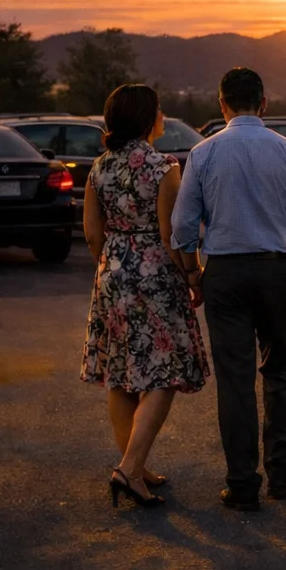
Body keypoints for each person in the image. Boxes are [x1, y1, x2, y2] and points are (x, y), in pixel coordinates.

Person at [172, 67, 286, 512]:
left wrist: (193, 273)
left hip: (225, 273)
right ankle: (281, 474)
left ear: (221, 105)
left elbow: (183, 228)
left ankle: (241, 483)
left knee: (235, 380)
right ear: (264, 104)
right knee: (281, 371)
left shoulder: (202, 153)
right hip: (278, 270)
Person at [81, 84, 209, 509]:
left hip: (112, 272)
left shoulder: (98, 168)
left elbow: (91, 234)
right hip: (154, 273)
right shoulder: (162, 167)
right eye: (159, 110)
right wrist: (192, 275)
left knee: (121, 371)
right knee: (166, 370)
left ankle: (135, 466)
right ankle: (130, 468)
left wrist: (114, 263)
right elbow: (172, 235)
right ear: (147, 118)